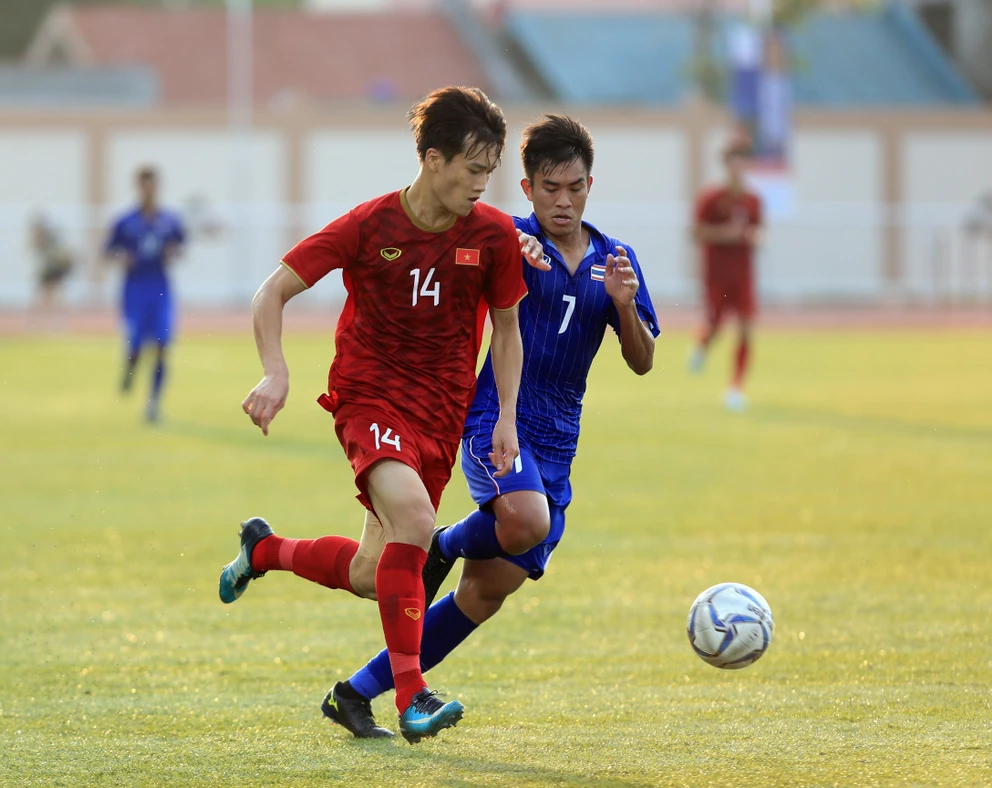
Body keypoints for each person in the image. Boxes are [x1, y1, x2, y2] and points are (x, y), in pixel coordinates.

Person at [218, 86, 547, 744]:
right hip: (369, 396)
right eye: (474, 169)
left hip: (441, 416)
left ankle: (265, 549)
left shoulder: (492, 236)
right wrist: (276, 371)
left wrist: (507, 414)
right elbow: (272, 291)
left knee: (375, 575)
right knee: (419, 524)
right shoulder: (368, 225)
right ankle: (412, 697)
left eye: (491, 170)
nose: (485, 184)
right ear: (432, 159)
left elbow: (507, 330)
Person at [321, 114, 659, 739]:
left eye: (576, 187)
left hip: (560, 439)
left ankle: (355, 691)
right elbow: (455, 266)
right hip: (494, 423)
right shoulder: (505, 237)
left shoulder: (616, 259)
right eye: (550, 188)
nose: (564, 201)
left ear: (591, 185)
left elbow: (641, 361)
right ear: (526, 188)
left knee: (486, 593)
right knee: (525, 520)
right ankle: (443, 543)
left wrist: (622, 306)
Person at [103, 167, 186, 423]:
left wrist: (173, 253)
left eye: (153, 185)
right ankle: (130, 367)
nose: (149, 190)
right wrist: (122, 258)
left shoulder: (169, 220)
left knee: (162, 345)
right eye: (145, 185)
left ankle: (153, 404)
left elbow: (180, 246)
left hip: (160, 287)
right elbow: (108, 252)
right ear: (138, 187)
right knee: (137, 344)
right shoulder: (125, 222)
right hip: (135, 288)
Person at [688, 137, 763, 412]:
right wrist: (727, 235)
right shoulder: (711, 198)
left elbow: (758, 231)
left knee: (745, 328)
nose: (739, 165)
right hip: (716, 275)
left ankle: (735, 388)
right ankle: (701, 345)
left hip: (743, 275)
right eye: (734, 159)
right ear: (726, 164)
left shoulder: (754, 200)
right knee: (717, 324)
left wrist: (756, 237)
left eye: (743, 159)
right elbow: (696, 232)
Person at [30, 214, 75, 312]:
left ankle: (53, 310)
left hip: (57, 266)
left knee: (51, 289)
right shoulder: (46, 240)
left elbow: (61, 256)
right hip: (54, 267)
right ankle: (48, 310)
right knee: (48, 290)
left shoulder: (50, 239)